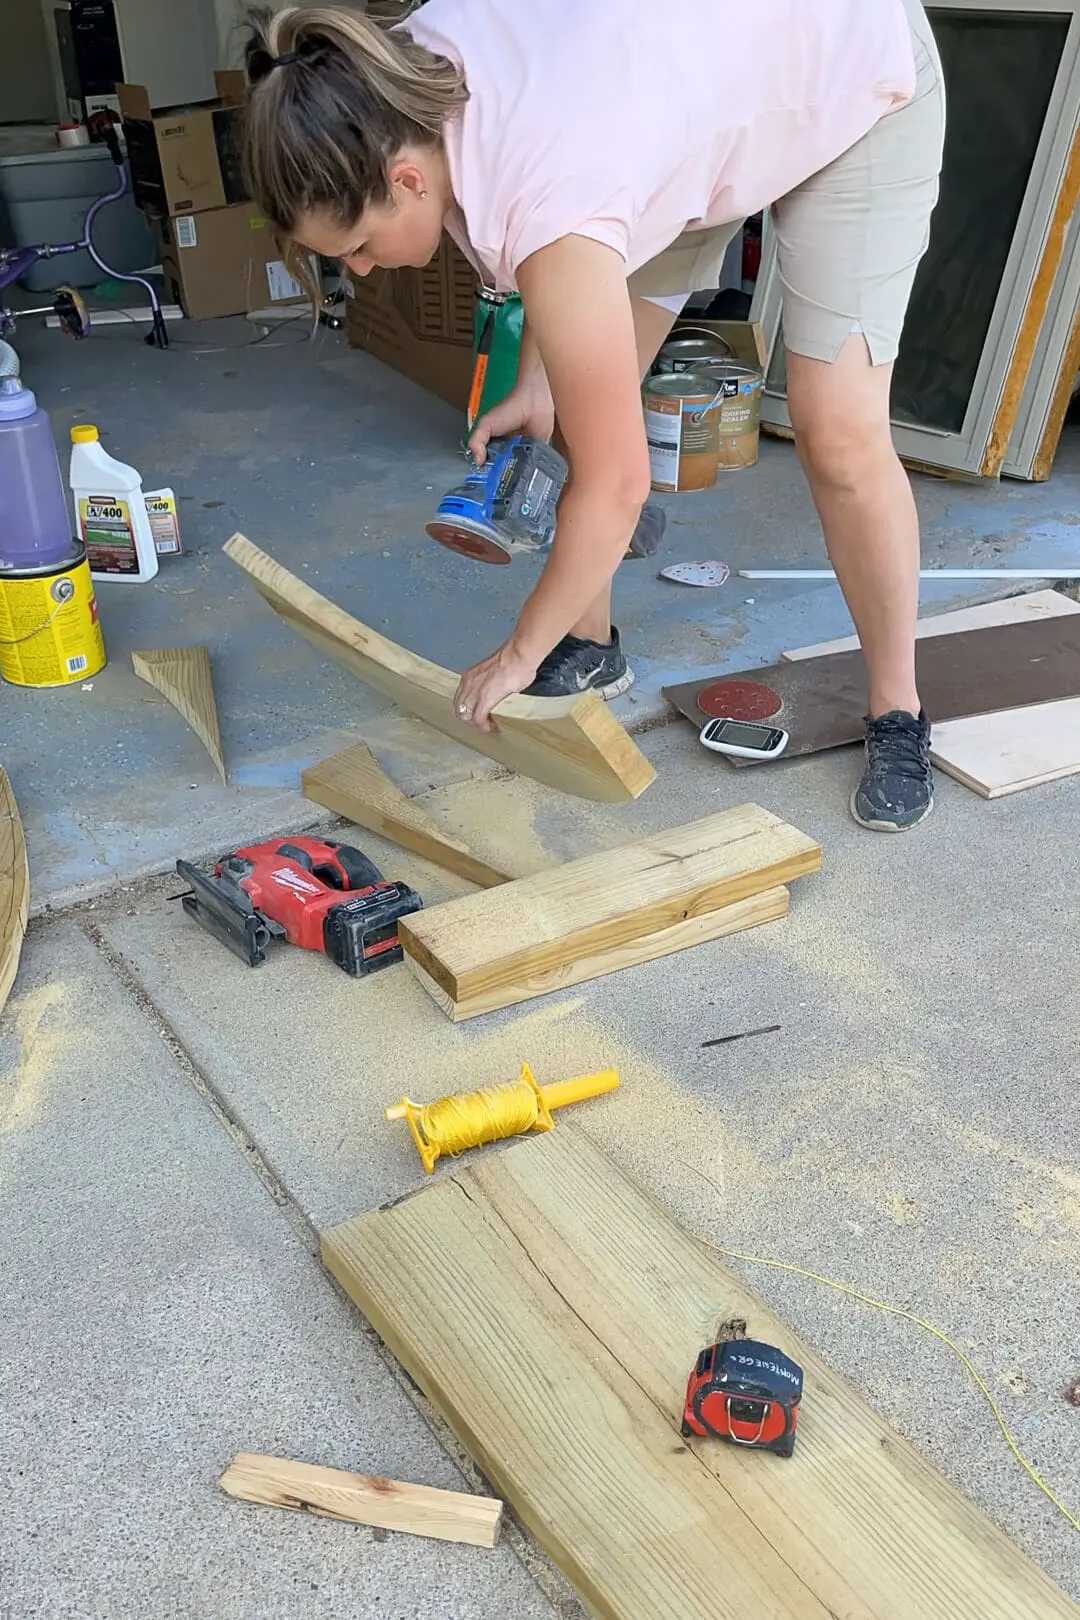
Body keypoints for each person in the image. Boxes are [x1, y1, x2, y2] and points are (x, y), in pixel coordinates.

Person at [241, 0, 945, 831]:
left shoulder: (549, 185)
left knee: (838, 437)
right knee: (578, 408)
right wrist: (538, 382)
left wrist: (517, 652)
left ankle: (899, 711)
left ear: (408, 179)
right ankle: (592, 644)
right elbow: (548, 247)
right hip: (693, 97)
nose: (361, 269)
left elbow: (618, 483)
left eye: (357, 245)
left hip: (845, 67)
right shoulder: (386, 83)